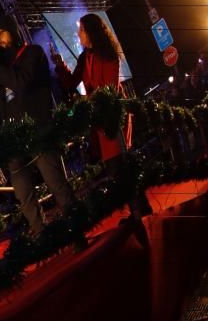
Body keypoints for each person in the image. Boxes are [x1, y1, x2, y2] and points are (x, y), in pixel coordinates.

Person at [51, 13, 151, 218]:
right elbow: (71, 83)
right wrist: (61, 65)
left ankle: (140, 208)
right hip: (99, 121)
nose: (78, 34)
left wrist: (86, 101)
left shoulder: (107, 53)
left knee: (121, 164)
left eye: (81, 30)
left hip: (113, 117)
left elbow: (109, 88)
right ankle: (137, 209)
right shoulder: (84, 57)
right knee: (115, 167)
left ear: (90, 32)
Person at [0, 15, 74, 236]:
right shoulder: (4, 67)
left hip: (38, 130)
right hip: (15, 138)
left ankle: (76, 222)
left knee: (54, 181)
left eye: (2, 33)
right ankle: (39, 230)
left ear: (12, 31)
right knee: (22, 191)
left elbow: (21, 82)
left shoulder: (32, 53)